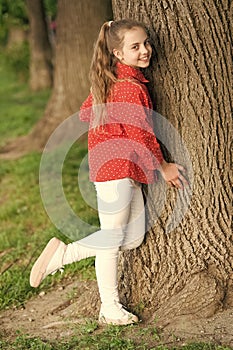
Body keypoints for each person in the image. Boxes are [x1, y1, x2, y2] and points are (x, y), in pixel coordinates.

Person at [30, 19, 187, 325]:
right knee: (112, 240)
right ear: (118, 53)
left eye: (145, 43)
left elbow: (89, 112)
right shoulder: (127, 88)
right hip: (115, 171)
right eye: (135, 46)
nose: (145, 50)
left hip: (121, 169)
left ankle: (62, 255)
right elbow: (142, 135)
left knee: (130, 239)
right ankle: (109, 306)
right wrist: (164, 166)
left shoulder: (114, 80)